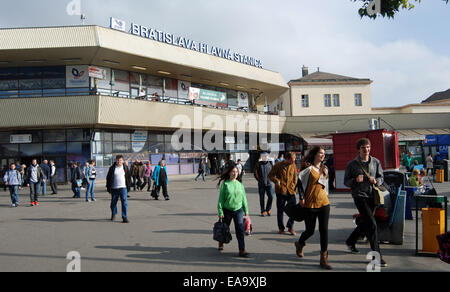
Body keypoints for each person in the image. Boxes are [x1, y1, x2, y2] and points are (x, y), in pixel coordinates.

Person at [344, 138, 387, 268]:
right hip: (359, 196)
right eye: (363, 147)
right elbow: (346, 181)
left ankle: (351, 240)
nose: (366, 150)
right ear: (359, 149)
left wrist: (377, 181)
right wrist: (355, 180)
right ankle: (376, 256)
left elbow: (381, 177)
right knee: (372, 225)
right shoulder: (352, 164)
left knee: (365, 222)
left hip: (372, 196)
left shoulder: (376, 162)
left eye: (368, 147)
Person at [295, 146, 332, 270]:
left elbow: (326, 186)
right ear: (315, 154)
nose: (322, 155)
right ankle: (300, 243)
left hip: (324, 203)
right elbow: (299, 182)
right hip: (310, 203)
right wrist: (301, 197)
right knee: (310, 230)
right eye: (320, 153)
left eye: (323, 153)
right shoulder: (308, 168)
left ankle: (324, 258)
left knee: (324, 231)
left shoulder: (325, 169)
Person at [217, 164, 249, 257]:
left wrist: (246, 211)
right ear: (230, 173)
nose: (235, 173)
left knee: (240, 229)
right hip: (227, 210)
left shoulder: (240, 184)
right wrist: (220, 211)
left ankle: (242, 249)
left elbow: (244, 198)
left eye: (236, 172)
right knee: (225, 229)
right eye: (233, 171)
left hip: (238, 210)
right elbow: (221, 199)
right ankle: (221, 242)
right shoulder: (225, 184)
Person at [269, 152, 298, 235]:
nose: (294, 161)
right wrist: (277, 181)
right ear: (287, 159)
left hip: (291, 191)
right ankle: (281, 228)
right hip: (281, 191)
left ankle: (290, 226)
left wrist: (293, 186)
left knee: (295, 209)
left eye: (294, 159)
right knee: (280, 210)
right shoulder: (278, 165)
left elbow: (295, 178)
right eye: (292, 160)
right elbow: (270, 175)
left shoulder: (293, 165)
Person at [106, 155, 132, 223]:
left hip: (123, 188)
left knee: (124, 202)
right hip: (114, 188)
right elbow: (108, 178)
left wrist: (129, 186)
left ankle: (124, 217)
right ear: (116, 160)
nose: (119, 161)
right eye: (118, 160)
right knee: (113, 203)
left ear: (122, 161)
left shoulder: (125, 168)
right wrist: (108, 187)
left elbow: (128, 177)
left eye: (120, 160)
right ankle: (114, 214)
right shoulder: (112, 168)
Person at [254, 153, 274, 217]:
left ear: (268, 157)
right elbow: (255, 172)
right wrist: (259, 180)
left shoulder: (270, 164)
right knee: (262, 198)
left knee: (271, 196)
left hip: (269, 184)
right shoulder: (258, 164)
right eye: (264, 156)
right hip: (261, 184)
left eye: (266, 156)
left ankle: (268, 209)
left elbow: (274, 172)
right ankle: (263, 211)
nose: (265, 157)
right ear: (262, 157)